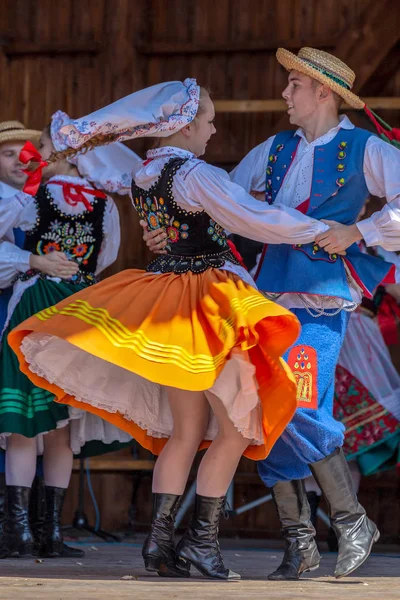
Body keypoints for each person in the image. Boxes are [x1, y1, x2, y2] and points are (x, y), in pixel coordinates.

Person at [7, 79, 337, 580]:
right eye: (207, 120)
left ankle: (159, 545)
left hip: (170, 299)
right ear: (183, 126)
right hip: (211, 304)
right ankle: (201, 545)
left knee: (186, 433)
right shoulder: (195, 173)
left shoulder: (144, 173)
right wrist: (320, 232)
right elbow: (254, 217)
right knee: (235, 428)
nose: (213, 128)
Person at [143, 48, 400, 581]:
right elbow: (220, 201)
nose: (285, 94)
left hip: (321, 296)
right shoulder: (275, 148)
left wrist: (363, 232)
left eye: (293, 85)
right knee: (263, 413)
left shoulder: (364, 147)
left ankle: (351, 521)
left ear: (323, 93)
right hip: (268, 299)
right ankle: (301, 541)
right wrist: (169, 230)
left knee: (294, 403)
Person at [0, 111, 135, 559]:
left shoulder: (30, 200)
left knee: (24, 427)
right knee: (61, 427)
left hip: (35, 305)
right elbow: (104, 258)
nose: (34, 156)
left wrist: (30, 261)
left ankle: (17, 532)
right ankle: (50, 533)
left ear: (62, 154)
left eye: (41, 147)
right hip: (79, 309)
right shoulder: (103, 205)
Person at [0, 120, 88, 559]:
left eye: (26, 152)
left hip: (35, 312)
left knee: (52, 422)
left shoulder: (35, 200)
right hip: (21, 310)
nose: (21, 160)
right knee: (25, 423)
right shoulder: (13, 202)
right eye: (7, 154)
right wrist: (32, 259)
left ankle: (38, 529)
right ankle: (22, 529)